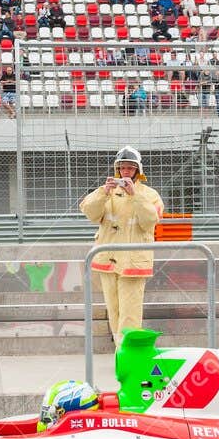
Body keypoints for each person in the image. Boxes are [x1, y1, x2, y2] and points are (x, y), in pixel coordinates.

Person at [79, 147, 164, 345]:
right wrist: (103, 192)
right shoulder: (106, 192)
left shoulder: (149, 194)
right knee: (114, 311)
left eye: (130, 168)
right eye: (122, 167)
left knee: (130, 313)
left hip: (133, 262)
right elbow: (90, 213)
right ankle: (120, 352)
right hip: (107, 260)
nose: (126, 172)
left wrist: (134, 195)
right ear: (117, 170)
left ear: (137, 170)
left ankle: (130, 354)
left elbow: (151, 220)